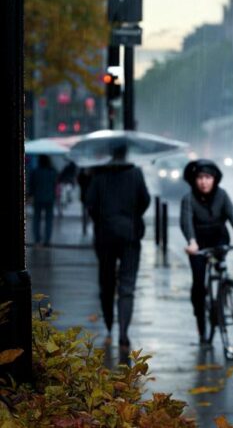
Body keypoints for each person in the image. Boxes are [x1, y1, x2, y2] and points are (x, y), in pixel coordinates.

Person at [180, 159, 233, 344]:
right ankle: (201, 317)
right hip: (198, 243)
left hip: (218, 239)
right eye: (200, 178)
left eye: (208, 177)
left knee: (221, 269)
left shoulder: (222, 195)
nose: (204, 182)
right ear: (194, 180)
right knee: (199, 283)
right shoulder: (188, 198)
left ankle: (223, 292)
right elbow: (186, 222)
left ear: (214, 179)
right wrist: (192, 242)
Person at [84, 142, 151, 349]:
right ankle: (123, 333)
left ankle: (109, 324)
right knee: (127, 286)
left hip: (105, 236)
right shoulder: (136, 173)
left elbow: (90, 203)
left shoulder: (99, 175)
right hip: (130, 235)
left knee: (106, 282)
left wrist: (102, 220)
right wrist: (132, 216)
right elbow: (145, 201)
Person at [27, 155, 58, 246]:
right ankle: (47, 240)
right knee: (49, 220)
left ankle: (37, 239)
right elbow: (54, 184)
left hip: (38, 198)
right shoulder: (52, 171)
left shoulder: (35, 172)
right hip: (50, 198)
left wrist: (30, 195)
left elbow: (31, 185)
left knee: (36, 219)